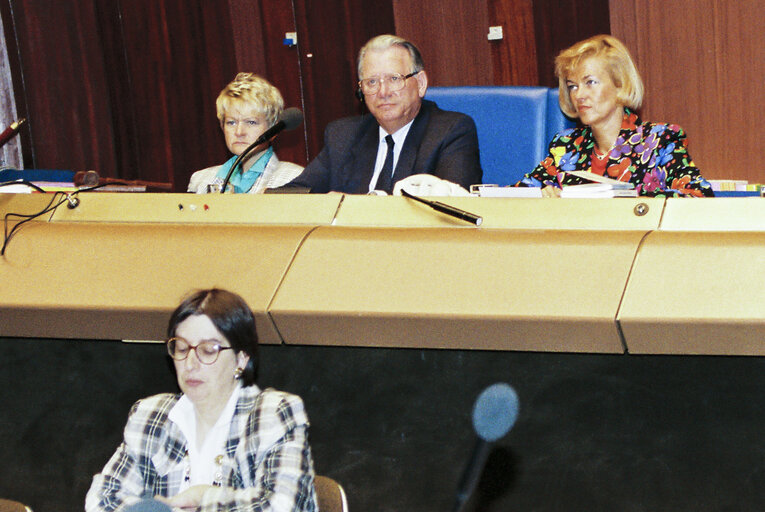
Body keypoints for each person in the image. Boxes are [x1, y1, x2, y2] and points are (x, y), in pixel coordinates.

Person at [86, 288, 317, 512]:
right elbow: (103, 499)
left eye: (208, 350)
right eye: (182, 348)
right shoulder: (150, 416)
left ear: (241, 359)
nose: (190, 363)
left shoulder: (272, 413)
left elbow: (282, 506)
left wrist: (205, 497)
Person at [282, 34, 482, 194]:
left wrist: (350, 208)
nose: (383, 92)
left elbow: (453, 208)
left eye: (394, 79)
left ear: (420, 84)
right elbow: (294, 195)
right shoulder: (343, 135)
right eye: (371, 82)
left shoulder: (450, 131)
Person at [517, 34, 713, 197]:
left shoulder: (660, 140)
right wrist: (542, 195)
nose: (579, 95)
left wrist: (627, 200)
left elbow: (698, 195)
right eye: (572, 86)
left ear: (620, 84)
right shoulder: (566, 145)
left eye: (590, 82)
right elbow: (516, 195)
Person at [188, 73, 304, 194]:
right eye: (231, 122)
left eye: (251, 122)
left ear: (273, 130)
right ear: (222, 127)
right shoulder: (200, 181)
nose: (239, 132)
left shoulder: (293, 178)